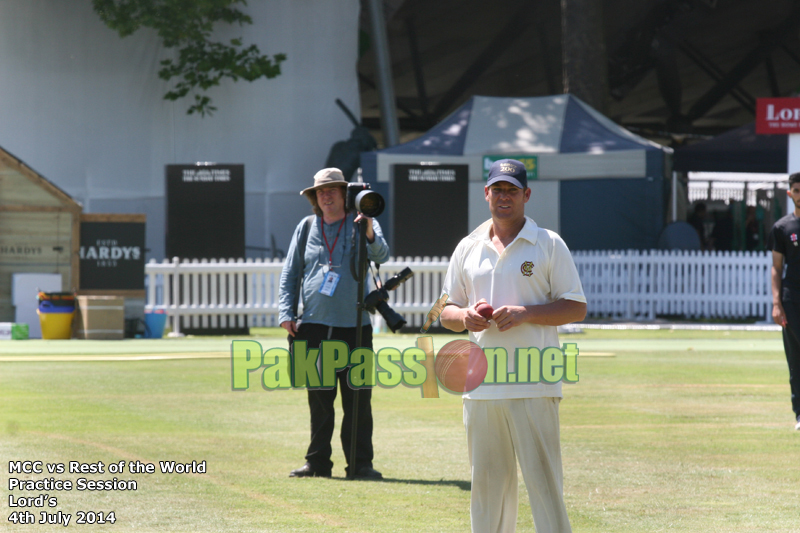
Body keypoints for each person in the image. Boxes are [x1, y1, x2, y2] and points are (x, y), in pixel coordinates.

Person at [439, 159, 587, 532]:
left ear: (526, 195)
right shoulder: (468, 246)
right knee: (487, 489)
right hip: (481, 386)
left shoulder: (548, 243)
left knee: (545, 485)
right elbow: (445, 311)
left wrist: (527, 313)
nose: (504, 196)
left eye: (512, 190)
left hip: (534, 381)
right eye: (498, 189)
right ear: (486, 193)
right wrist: (466, 316)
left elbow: (576, 306)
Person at [278, 167, 389, 478]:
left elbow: (382, 252)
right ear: (315, 198)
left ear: (345, 194)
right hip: (313, 324)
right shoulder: (306, 226)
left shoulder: (363, 222)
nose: (325, 195)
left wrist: (367, 226)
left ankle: (360, 464)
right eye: (320, 192)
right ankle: (317, 463)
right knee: (320, 399)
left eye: (332, 190)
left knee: (358, 400)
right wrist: (286, 312)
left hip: (355, 325)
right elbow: (291, 272)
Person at [768, 172, 800, 431]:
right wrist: (776, 303)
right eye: (796, 190)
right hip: (792, 299)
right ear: (790, 193)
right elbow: (776, 267)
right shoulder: (782, 228)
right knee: (795, 358)